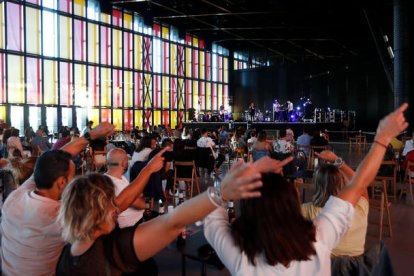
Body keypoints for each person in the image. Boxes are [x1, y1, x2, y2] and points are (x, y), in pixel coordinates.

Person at [204, 103, 408, 275]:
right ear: (291, 202)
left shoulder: (241, 260)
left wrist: (245, 175)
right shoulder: (318, 240)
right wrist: (382, 138)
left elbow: (212, 215)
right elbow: (358, 184)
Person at [56, 155, 290, 274]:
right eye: (111, 204)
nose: (115, 208)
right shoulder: (109, 252)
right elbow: (173, 220)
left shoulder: (67, 255)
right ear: (99, 210)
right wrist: (222, 192)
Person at [0, 122, 115, 275]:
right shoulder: (60, 216)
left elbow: (56, 158)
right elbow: (105, 221)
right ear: (61, 182)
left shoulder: (15, 197)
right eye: (71, 176)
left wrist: (91, 134)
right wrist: (147, 171)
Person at [302, 150, 369, 257]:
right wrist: (337, 161)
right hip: (356, 268)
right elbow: (359, 184)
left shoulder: (306, 210)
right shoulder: (360, 206)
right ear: (343, 182)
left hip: (324, 269)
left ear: (317, 184)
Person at [105, 148, 146, 228]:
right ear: (123, 163)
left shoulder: (106, 178)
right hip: (131, 226)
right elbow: (142, 204)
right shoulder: (118, 185)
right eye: (127, 160)